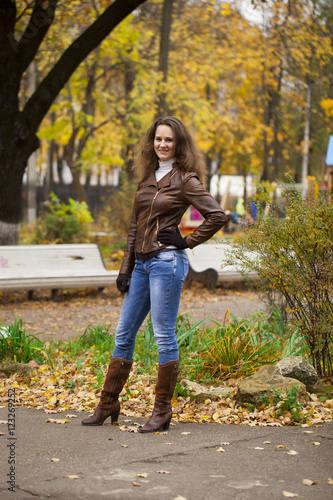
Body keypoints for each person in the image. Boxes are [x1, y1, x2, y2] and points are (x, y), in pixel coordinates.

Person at [82, 116, 227, 432]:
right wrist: (126, 268)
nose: (162, 144)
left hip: (167, 263)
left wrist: (186, 240)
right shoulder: (147, 178)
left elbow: (217, 215)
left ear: (179, 144)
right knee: (124, 332)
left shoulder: (185, 180)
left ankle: (162, 411)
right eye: (158, 139)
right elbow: (134, 226)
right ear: (152, 142)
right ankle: (107, 403)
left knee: (163, 333)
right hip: (143, 265)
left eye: (169, 140)